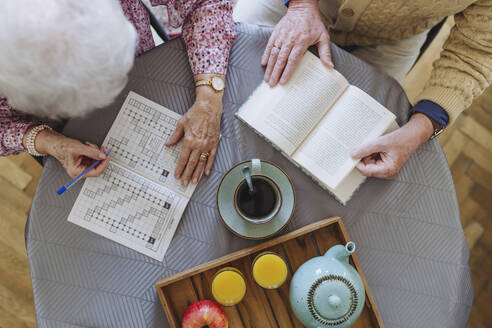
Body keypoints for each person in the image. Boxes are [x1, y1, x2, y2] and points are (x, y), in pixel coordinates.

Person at [234, 0, 492, 179]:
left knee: (344, 155)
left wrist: (421, 128)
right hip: (296, 5)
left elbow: (477, 52)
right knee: (231, 69)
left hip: (393, 35)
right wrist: (301, 7)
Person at [0, 0, 235, 187]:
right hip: (70, 133)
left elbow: (206, 3)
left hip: (147, 75)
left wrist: (208, 99)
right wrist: (48, 142)